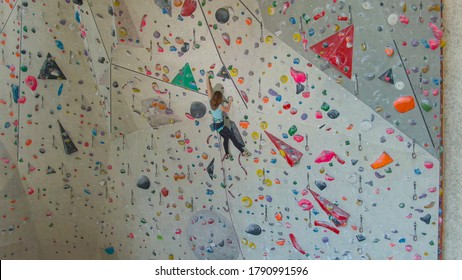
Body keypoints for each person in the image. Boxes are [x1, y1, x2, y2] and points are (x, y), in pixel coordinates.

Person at [207, 75, 251, 159]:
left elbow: (208, 88)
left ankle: (227, 153)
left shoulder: (210, 101)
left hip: (217, 126)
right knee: (233, 138)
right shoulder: (220, 106)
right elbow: (227, 109)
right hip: (221, 126)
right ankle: (242, 152)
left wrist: (207, 78)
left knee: (226, 138)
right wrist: (230, 101)